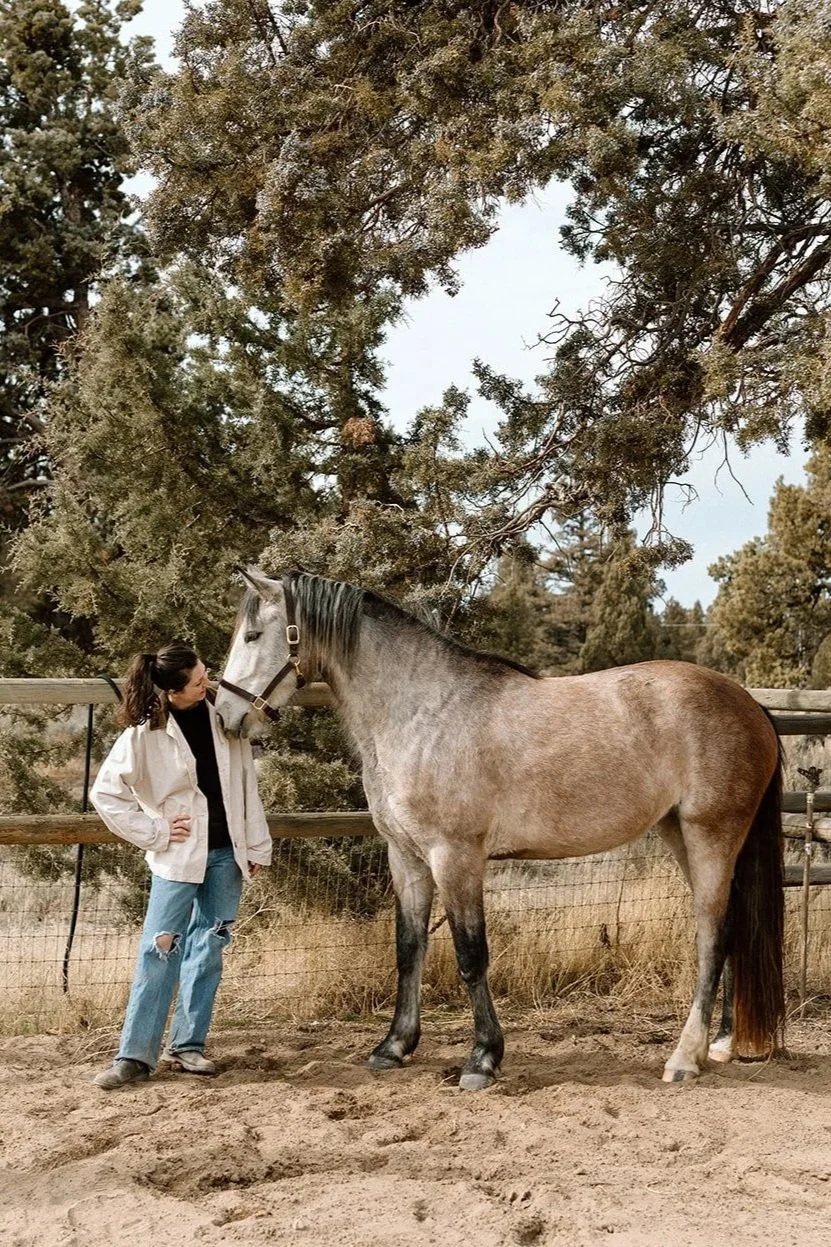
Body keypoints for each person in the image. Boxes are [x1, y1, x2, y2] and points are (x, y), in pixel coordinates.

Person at [90, 642, 272, 1090]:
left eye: (205, 674)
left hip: (229, 852)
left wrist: (257, 845)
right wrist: (154, 831)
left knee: (208, 948)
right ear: (171, 691)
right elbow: (106, 794)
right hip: (177, 857)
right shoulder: (143, 733)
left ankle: (188, 1045)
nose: (206, 683)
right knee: (160, 949)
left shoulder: (224, 718)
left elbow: (246, 782)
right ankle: (134, 1055)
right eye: (196, 682)